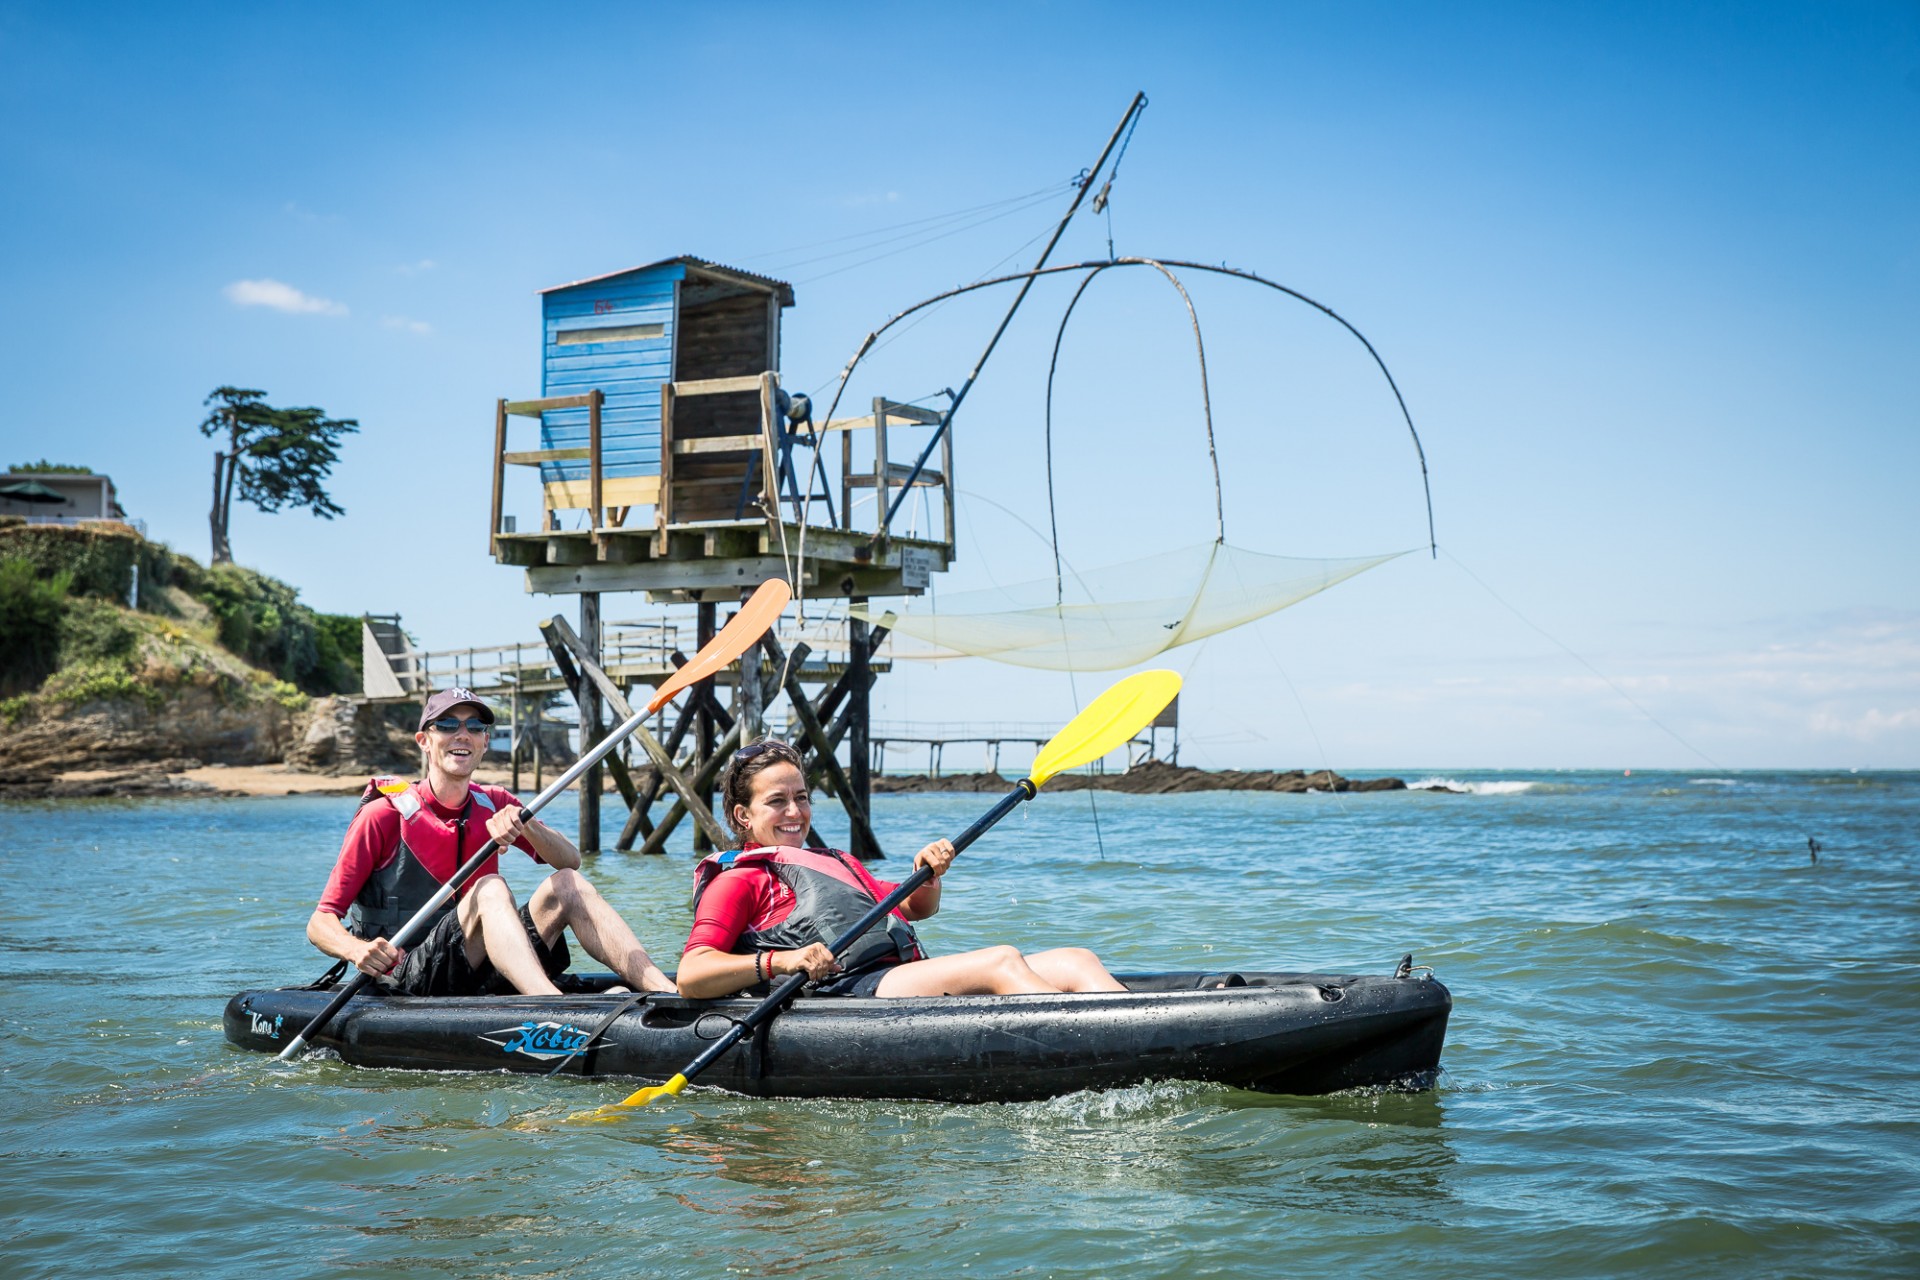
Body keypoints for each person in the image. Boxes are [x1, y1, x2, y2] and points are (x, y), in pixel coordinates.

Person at [675, 740, 1127, 999]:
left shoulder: (835, 861)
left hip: (894, 979)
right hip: (847, 995)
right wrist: (785, 960)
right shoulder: (739, 879)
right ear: (742, 816)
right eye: (776, 801)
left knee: (1075, 959)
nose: (795, 810)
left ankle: (1145, 1030)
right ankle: (1105, 1045)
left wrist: (927, 874)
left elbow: (913, 908)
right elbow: (693, 975)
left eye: (802, 797)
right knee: (1001, 960)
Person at [307, 687, 675, 997]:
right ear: (424, 741)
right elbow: (320, 922)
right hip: (409, 972)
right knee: (490, 887)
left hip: (480, 966)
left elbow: (571, 860)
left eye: (475, 726)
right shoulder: (383, 816)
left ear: (485, 742)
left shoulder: (496, 802)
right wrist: (356, 950)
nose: (462, 734)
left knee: (567, 884)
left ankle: (665, 991)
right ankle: (550, 1004)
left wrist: (527, 826)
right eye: (448, 725)